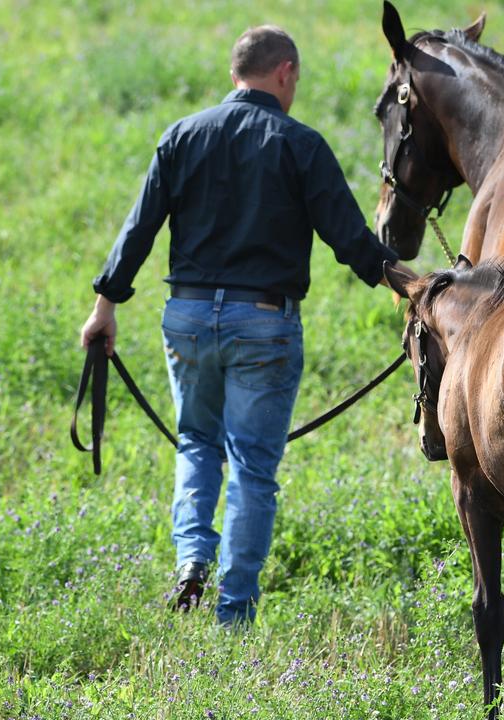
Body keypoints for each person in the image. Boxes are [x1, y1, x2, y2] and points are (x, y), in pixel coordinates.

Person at [79, 24, 406, 625]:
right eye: (297, 80)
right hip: (264, 322)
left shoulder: (182, 134)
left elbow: (139, 227)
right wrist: (413, 287)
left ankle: (191, 560)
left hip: (188, 316)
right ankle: (235, 611)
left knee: (197, 442)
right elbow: (349, 239)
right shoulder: (300, 144)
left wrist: (106, 304)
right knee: (254, 466)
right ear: (284, 72)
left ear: (236, 74)